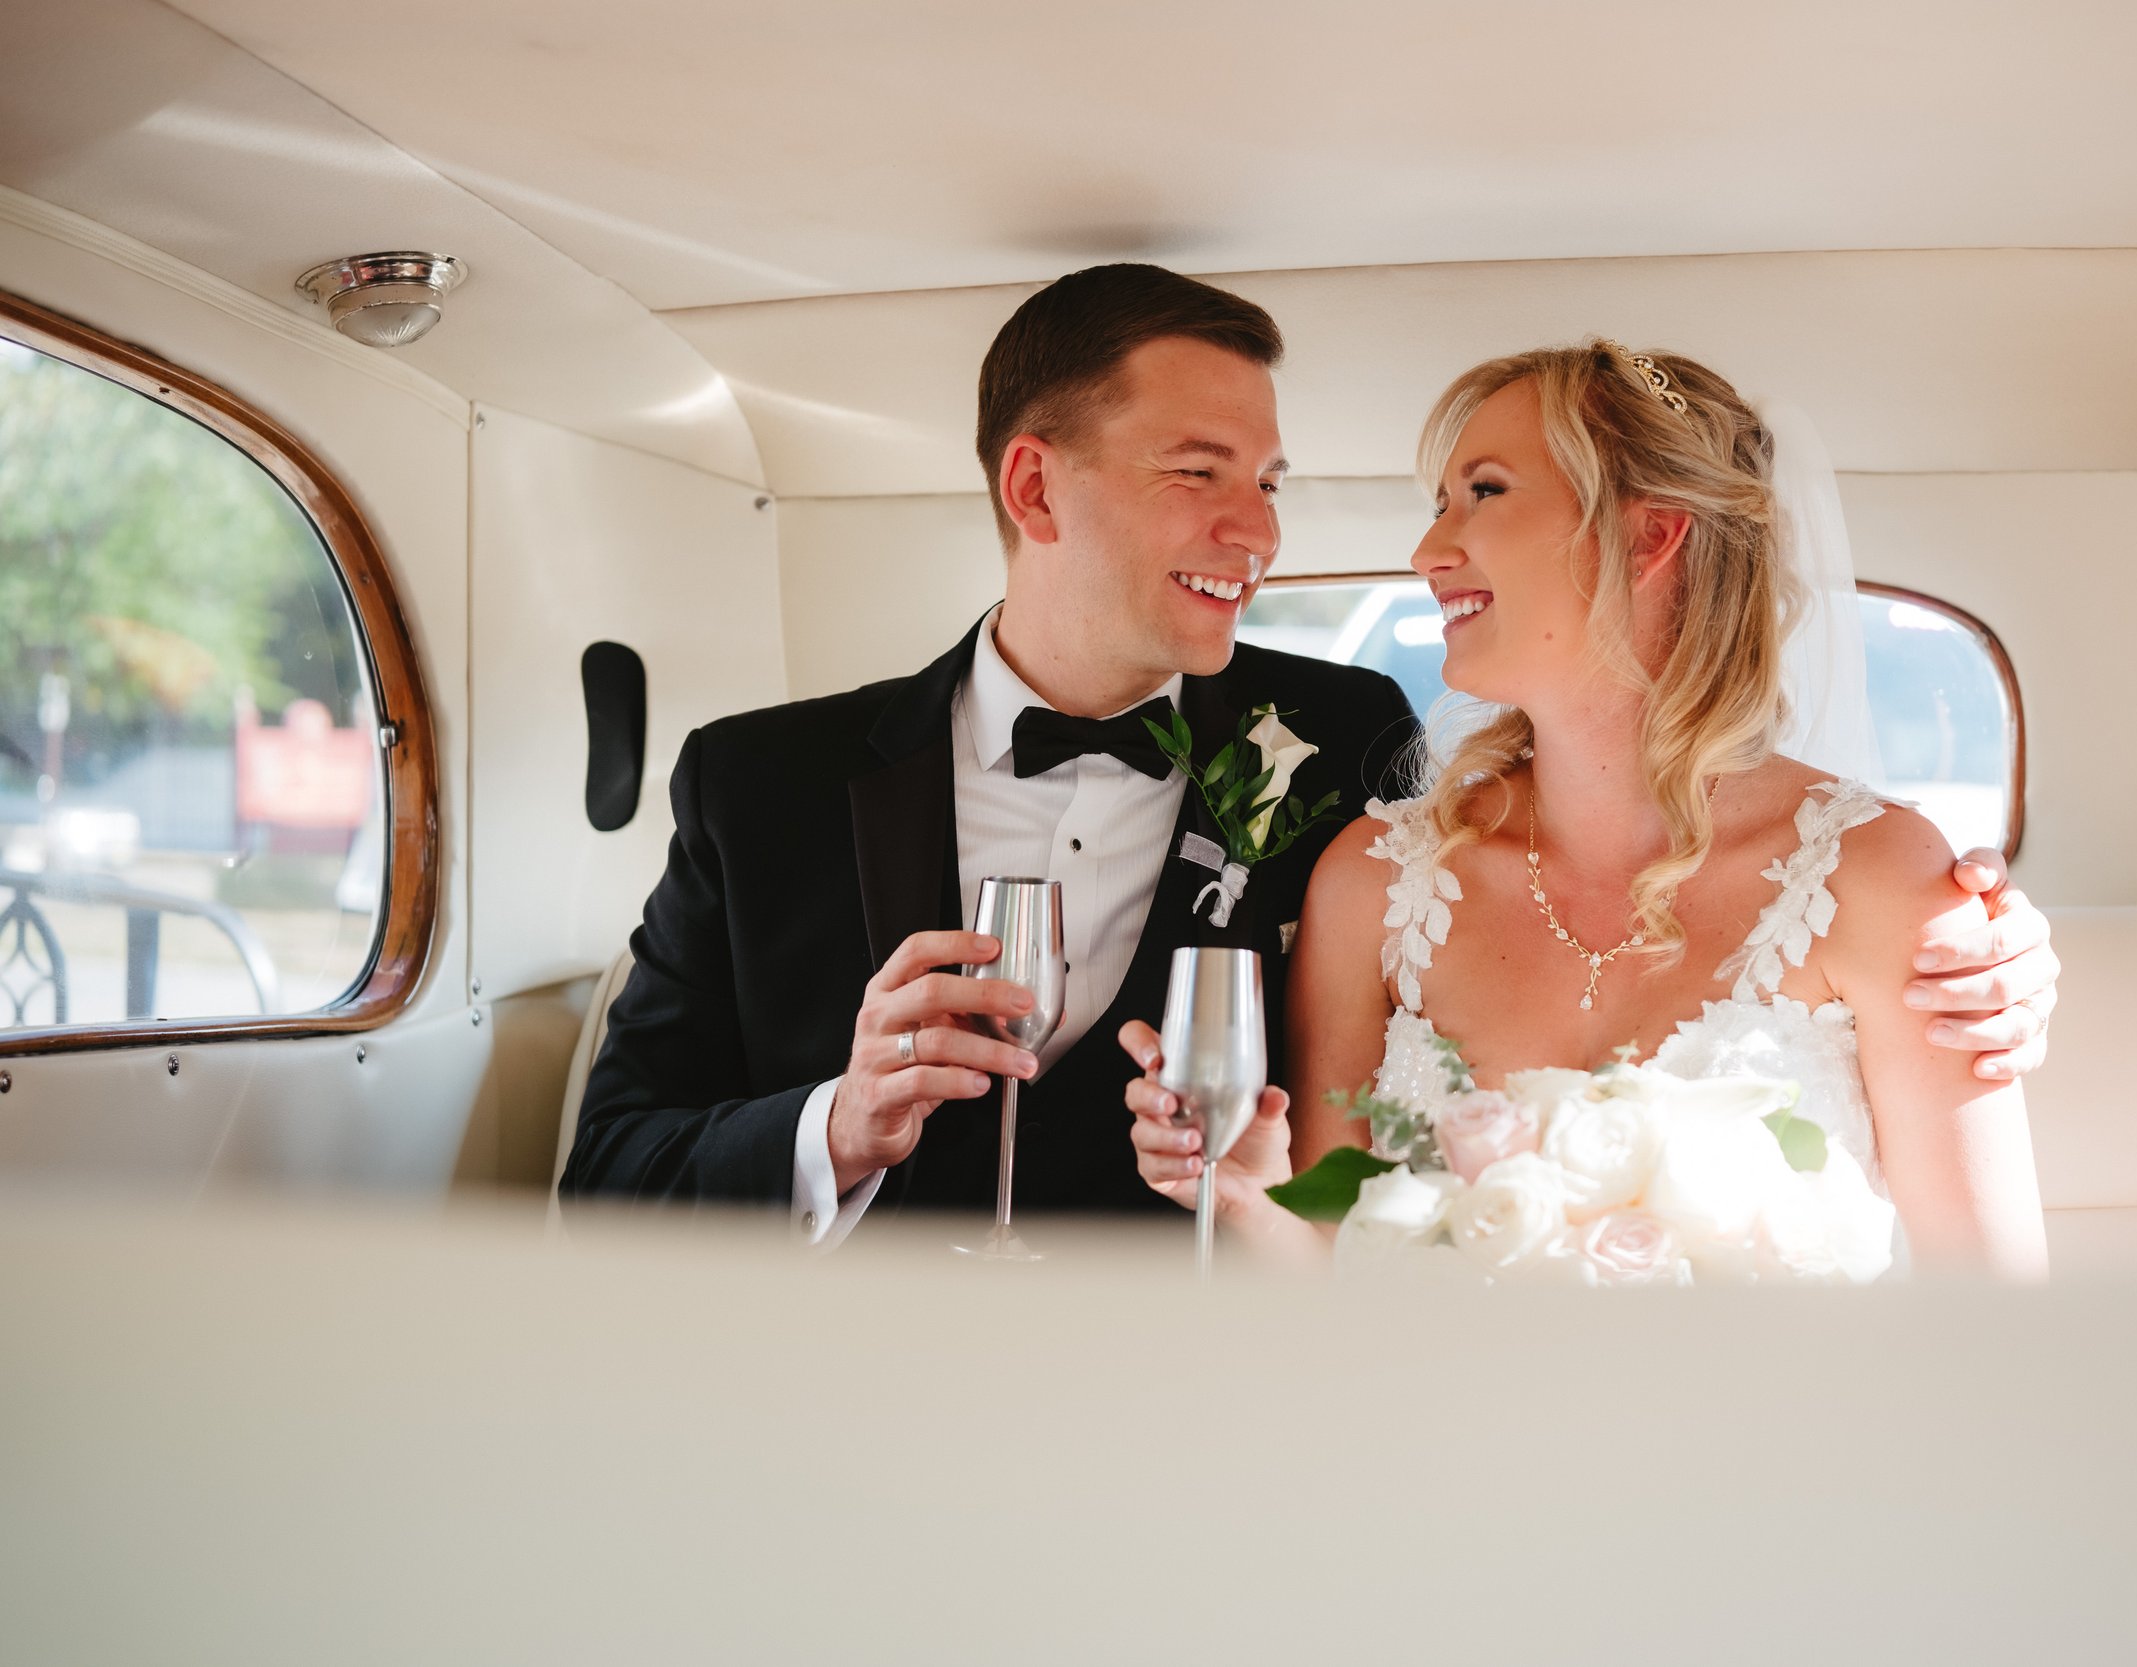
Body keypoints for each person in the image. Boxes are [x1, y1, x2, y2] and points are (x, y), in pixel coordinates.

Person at [562, 265, 2055, 1246]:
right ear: (1036, 483)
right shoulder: (753, 785)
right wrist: (838, 1119)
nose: (1262, 533)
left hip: (1199, 1425)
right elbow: (603, 1179)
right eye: (1200, 473)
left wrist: (1980, 941)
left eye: (1267, 482)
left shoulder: (1346, 750)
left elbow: (1328, 1178)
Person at [1126, 341, 2050, 1274]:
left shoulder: (1885, 878)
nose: (1428, 551)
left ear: (1649, 537)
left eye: (1483, 492)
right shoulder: (1374, 882)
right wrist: (1247, 1200)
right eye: (1439, 504)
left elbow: (1999, 1310)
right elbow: (1330, 1273)